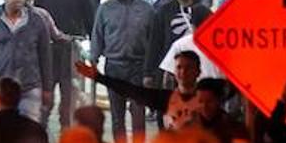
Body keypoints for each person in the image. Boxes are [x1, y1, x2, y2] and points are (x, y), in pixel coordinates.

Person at [90, 0, 154, 143]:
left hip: (138, 66)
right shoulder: (105, 9)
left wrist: (151, 69)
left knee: (138, 112)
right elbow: (98, 36)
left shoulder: (146, 9)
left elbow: (152, 40)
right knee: (117, 114)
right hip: (114, 66)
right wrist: (93, 59)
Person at [34, 0, 98, 129]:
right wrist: (95, 51)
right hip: (73, 49)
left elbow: (36, 18)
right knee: (70, 93)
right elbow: (92, 23)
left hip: (47, 48)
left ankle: (40, 128)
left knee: (46, 90)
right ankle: (66, 132)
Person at [76, 51, 212, 131]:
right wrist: (99, 77)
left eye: (188, 68)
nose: (183, 72)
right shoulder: (165, 99)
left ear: (198, 71)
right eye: (179, 67)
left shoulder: (208, 101)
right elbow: (131, 91)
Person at [144, 0, 212, 87]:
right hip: (170, 68)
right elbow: (154, 42)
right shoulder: (163, 12)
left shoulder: (203, 12)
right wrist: (148, 72)